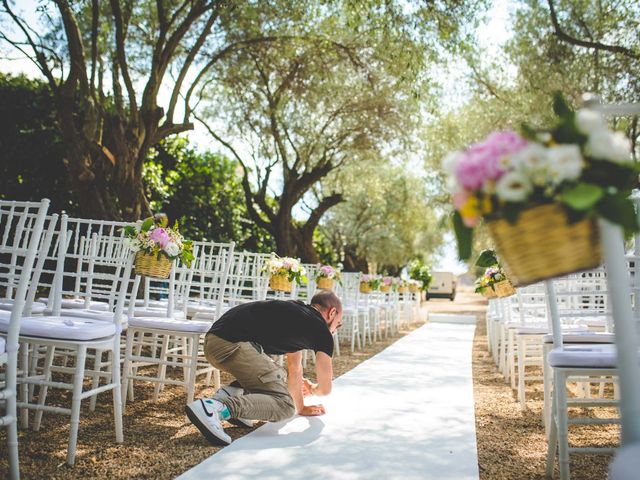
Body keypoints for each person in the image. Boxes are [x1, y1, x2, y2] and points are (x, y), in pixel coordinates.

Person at [185, 290, 343, 445]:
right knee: (285, 406)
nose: (335, 330)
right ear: (332, 313)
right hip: (231, 345)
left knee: (279, 377)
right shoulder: (321, 331)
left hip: (213, 343)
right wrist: (313, 389)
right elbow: (325, 389)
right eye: (338, 324)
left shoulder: (298, 314)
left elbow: (295, 368)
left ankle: (233, 392)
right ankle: (215, 408)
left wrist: (301, 407)